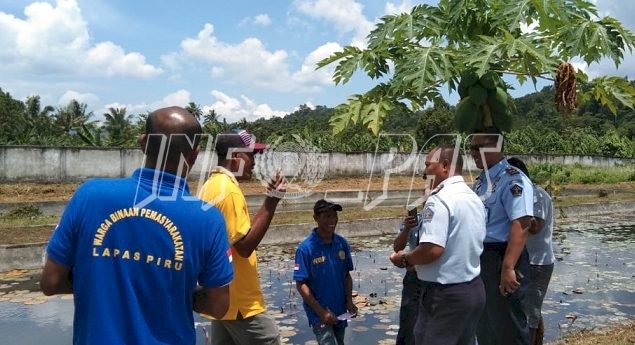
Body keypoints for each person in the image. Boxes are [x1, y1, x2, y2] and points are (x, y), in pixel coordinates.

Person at [40, 106, 233, 345]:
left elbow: (51, 282)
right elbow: (219, 305)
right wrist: (175, 289)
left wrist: (102, 280)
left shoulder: (90, 195)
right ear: (194, 156)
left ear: (142, 143)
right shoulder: (208, 219)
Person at [390, 146, 486, 345]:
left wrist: (405, 259)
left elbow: (432, 249)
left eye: (428, 165)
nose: (425, 172)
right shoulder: (474, 198)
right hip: (472, 289)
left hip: (444, 296)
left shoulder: (439, 199)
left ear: (444, 166)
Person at [198, 129, 286, 345]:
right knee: (270, 339)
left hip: (220, 296)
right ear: (236, 157)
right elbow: (244, 246)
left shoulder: (210, 186)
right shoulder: (228, 192)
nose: (254, 162)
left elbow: (237, 236)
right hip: (239, 301)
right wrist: (271, 203)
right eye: (251, 155)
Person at [470, 128, 534, 345]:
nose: (473, 153)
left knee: (508, 325)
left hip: (503, 256)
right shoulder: (481, 182)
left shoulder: (513, 179)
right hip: (483, 257)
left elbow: (522, 222)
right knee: (486, 323)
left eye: (479, 147)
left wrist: (508, 267)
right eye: (471, 148)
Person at [294, 199, 358, 345]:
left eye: (334, 215)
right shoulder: (306, 249)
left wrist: (349, 301)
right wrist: (321, 312)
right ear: (316, 218)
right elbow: (301, 284)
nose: (332, 220)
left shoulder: (342, 243)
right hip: (318, 314)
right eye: (327, 216)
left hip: (340, 310)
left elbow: (346, 275)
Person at [507, 157, 555, 345]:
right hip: (525, 260)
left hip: (537, 263)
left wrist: (514, 213)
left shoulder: (537, 195)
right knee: (528, 308)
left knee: (530, 313)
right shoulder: (522, 195)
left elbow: (535, 226)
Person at [393, 203, 424, 345]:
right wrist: (406, 229)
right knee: (408, 322)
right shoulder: (417, 219)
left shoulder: (444, 218)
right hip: (414, 277)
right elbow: (397, 247)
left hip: (435, 279)